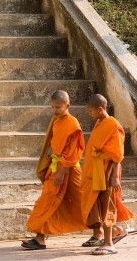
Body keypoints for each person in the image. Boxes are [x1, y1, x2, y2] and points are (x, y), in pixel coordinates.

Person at [21, 90, 87, 250]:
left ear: (67, 106)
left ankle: (107, 230)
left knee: (83, 202)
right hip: (55, 166)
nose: (54, 110)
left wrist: (62, 172)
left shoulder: (73, 124)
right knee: (47, 200)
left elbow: (74, 152)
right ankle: (40, 238)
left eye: (58, 107)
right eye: (52, 107)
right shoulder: (56, 121)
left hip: (68, 170)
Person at [81, 94, 133, 255]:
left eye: (90, 111)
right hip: (96, 171)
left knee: (107, 204)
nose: (89, 114)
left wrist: (115, 176)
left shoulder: (113, 126)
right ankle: (117, 230)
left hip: (107, 171)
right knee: (97, 204)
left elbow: (117, 155)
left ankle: (109, 243)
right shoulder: (100, 122)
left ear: (100, 109)